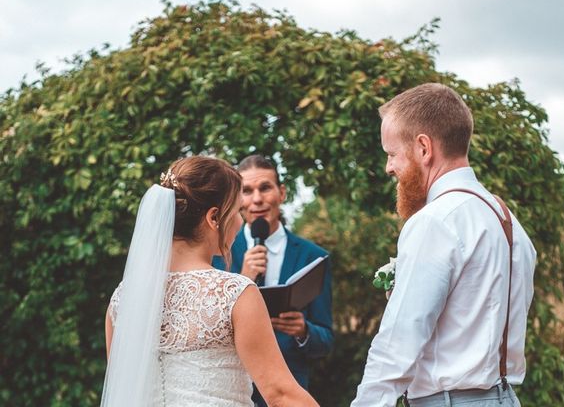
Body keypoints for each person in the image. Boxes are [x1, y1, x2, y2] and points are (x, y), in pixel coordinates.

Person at [351, 84, 536, 407]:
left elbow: (398, 344)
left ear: (423, 148)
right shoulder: (507, 221)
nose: (388, 167)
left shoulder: (435, 221)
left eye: (392, 154)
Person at [102, 155, 319, 407]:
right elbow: (281, 395)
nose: (240, 221)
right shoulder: (235, 293)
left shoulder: (122, 299)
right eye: (237, 210)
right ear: (214, 218)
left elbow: (124, 389)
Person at [213, 154, 334, 407]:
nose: (257, 199)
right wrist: (244, 279)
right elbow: (208, 326)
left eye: (265, 188)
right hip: (231, 391)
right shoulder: (217, 253)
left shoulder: (314, 257)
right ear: (237, 200)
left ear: (281, 193)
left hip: (289, 393)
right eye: (247, 191)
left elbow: (326, 340)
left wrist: (303, 331)